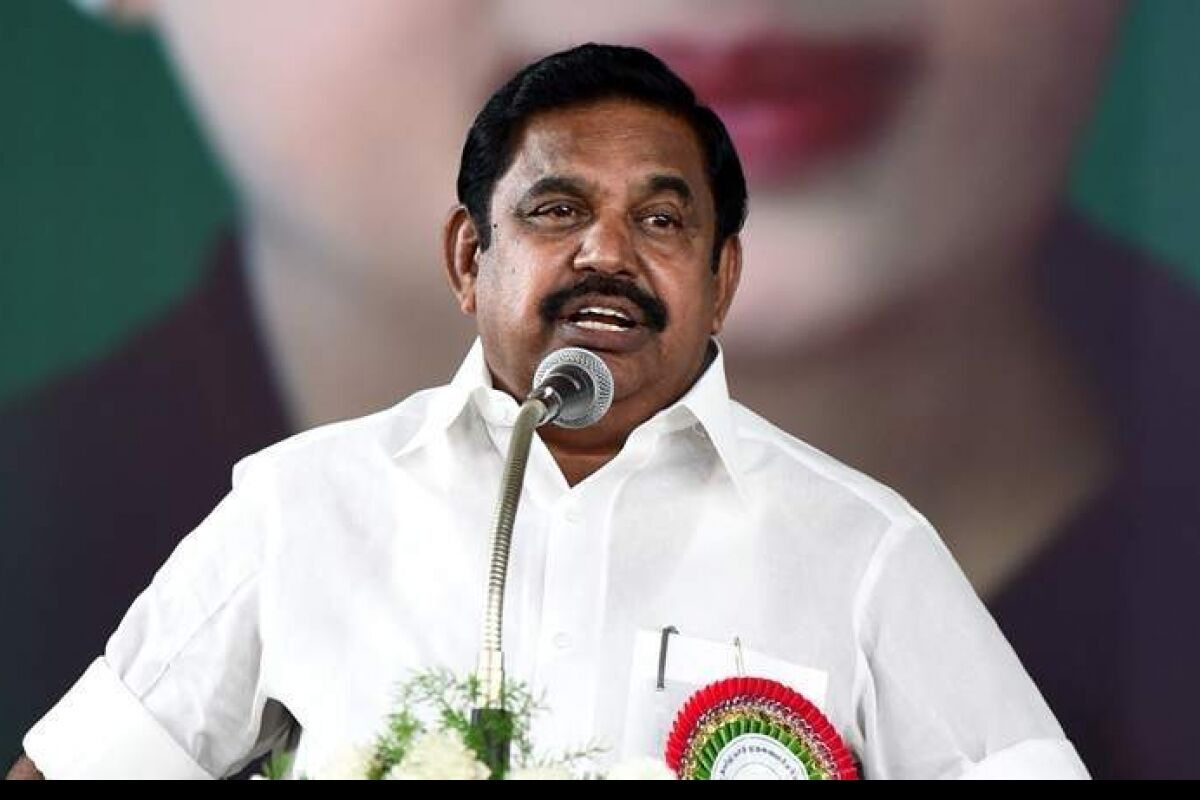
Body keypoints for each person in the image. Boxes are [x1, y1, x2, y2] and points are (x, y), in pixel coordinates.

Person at [4, 1, 1197, 778]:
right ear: (470, 259)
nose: (607, 257)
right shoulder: (299, 510)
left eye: (663, 220)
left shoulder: (865, 550)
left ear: (721, 278)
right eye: (556, 209)